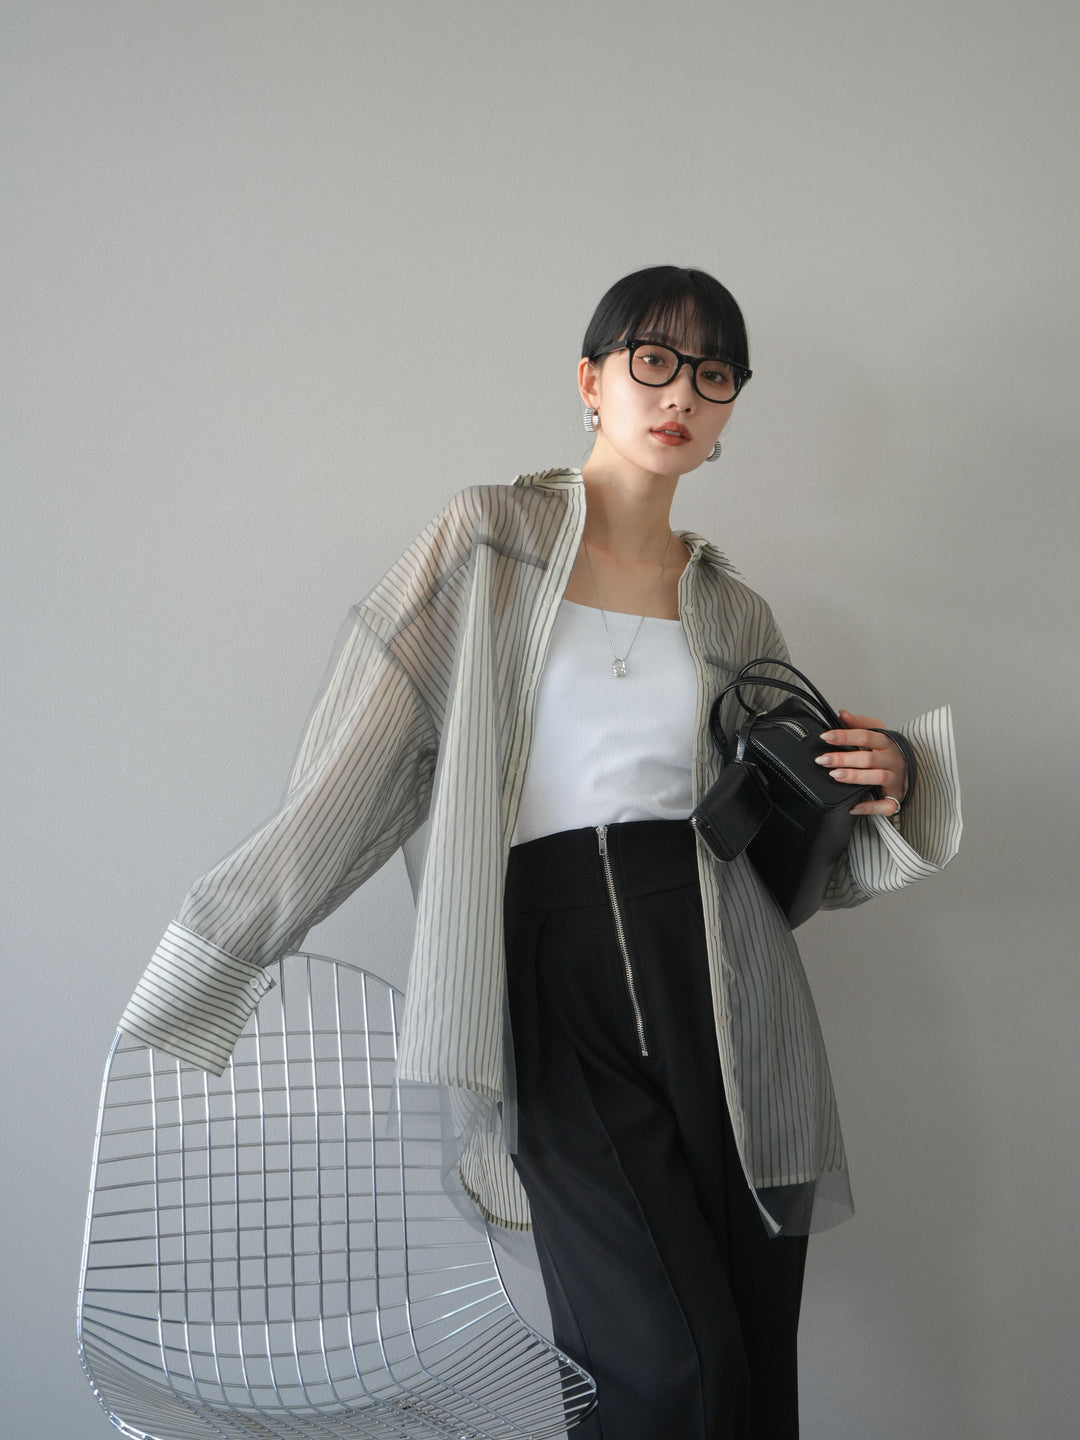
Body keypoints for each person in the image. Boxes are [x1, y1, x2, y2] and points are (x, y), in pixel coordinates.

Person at [119, 265, 962, 1440]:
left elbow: (794, 868)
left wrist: (894, 782)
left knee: (751, 1368)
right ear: (591, 379)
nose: (682, 392)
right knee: (669, 1364)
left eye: (714, 374)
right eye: (654, 360)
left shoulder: (738, 614)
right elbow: (356, 769)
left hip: (729, 984)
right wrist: (219, 946)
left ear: (730, 406)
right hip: (550, 974)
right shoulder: (486, 542)